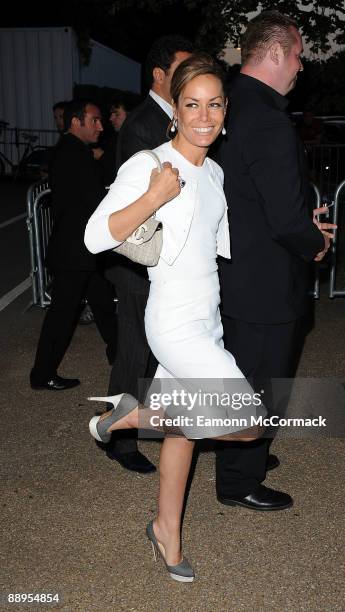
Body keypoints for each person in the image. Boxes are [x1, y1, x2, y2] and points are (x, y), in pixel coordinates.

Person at [84, 54, 265, 582]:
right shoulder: (150, 164)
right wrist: (154, 196)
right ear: (175, 112)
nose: (203, 116)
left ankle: (167, 532)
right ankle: (125, 417)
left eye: (213, 104)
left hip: (208, 319)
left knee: (184, 432)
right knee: (246, 422)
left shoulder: (216, 173)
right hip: (171, 321)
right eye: (192, 104)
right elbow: (97, 236)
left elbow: (215, 250)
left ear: (225, 110)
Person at [216, 11, 335, 511]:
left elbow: (252, 195)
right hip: (263, 278)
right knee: (261, 376)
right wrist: (315, 241)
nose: (300, 67)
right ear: (274, 53)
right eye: (298, 56)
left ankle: (249, 453)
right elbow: (285, 221)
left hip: (235, 268)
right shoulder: (266, 118)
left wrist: (296, 218)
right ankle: (239, 480)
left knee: (244, 374)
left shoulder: (228, 102)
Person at [102, 35, 193, 474]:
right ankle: (118, 439)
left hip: (165, 263)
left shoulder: (176, 119)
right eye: (182, 69)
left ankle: (150, 424)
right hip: (139, 264)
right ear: (160, 75)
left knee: (159, 353)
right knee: (134, 353)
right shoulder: (142, 124)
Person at [30, 99, 117, 391]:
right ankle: (42, 374)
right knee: (62, 317)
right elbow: (95, 197)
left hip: (81, 250)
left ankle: (119, 353)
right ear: (76, 123)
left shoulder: (74, 151)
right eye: (94, 120)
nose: (100, 126)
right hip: (74, 252)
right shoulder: (74, 154)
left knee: (103, 301)